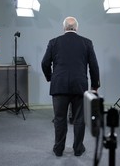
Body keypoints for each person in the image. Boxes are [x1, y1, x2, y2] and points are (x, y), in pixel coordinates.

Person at [41, 16, 100, 157]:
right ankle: (78, 149)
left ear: (64, 27)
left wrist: (51, 78)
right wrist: (94, 86)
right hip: (80, 86)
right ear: (77, 28)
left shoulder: (54, 42)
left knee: (59, 119)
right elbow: (94, 66)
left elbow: (44, 63)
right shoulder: (87, 43)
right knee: (79, 119)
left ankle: (58, 149)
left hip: (59, 86)